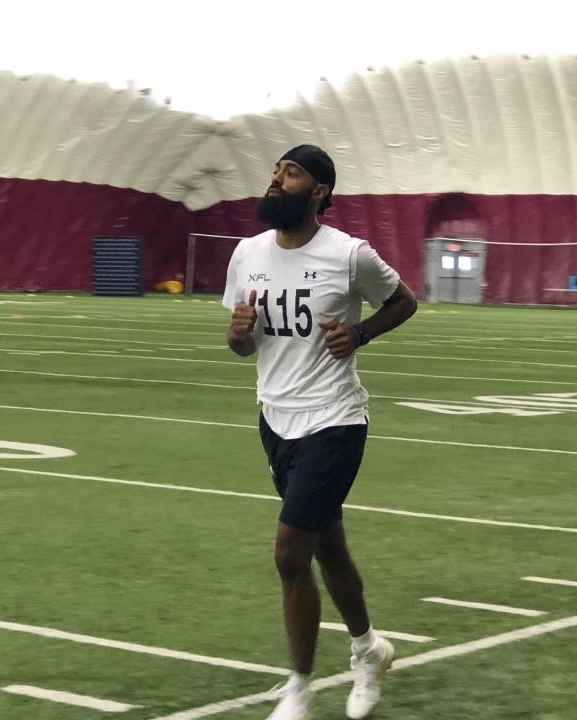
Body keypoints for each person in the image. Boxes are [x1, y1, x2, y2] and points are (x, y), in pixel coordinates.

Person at [223, 146, 417, 720]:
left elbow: (404, 301)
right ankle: (367, 650)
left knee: (290, 551)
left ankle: (299, 690)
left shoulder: (349, 255)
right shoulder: (246, 254)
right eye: (277, 170)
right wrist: (239, 334)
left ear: (319, 193)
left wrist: (358, 335)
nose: (277, 179)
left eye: (292, 173)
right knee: (326, 544)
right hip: (274, 418)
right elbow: (241, 345)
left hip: (335, 419)